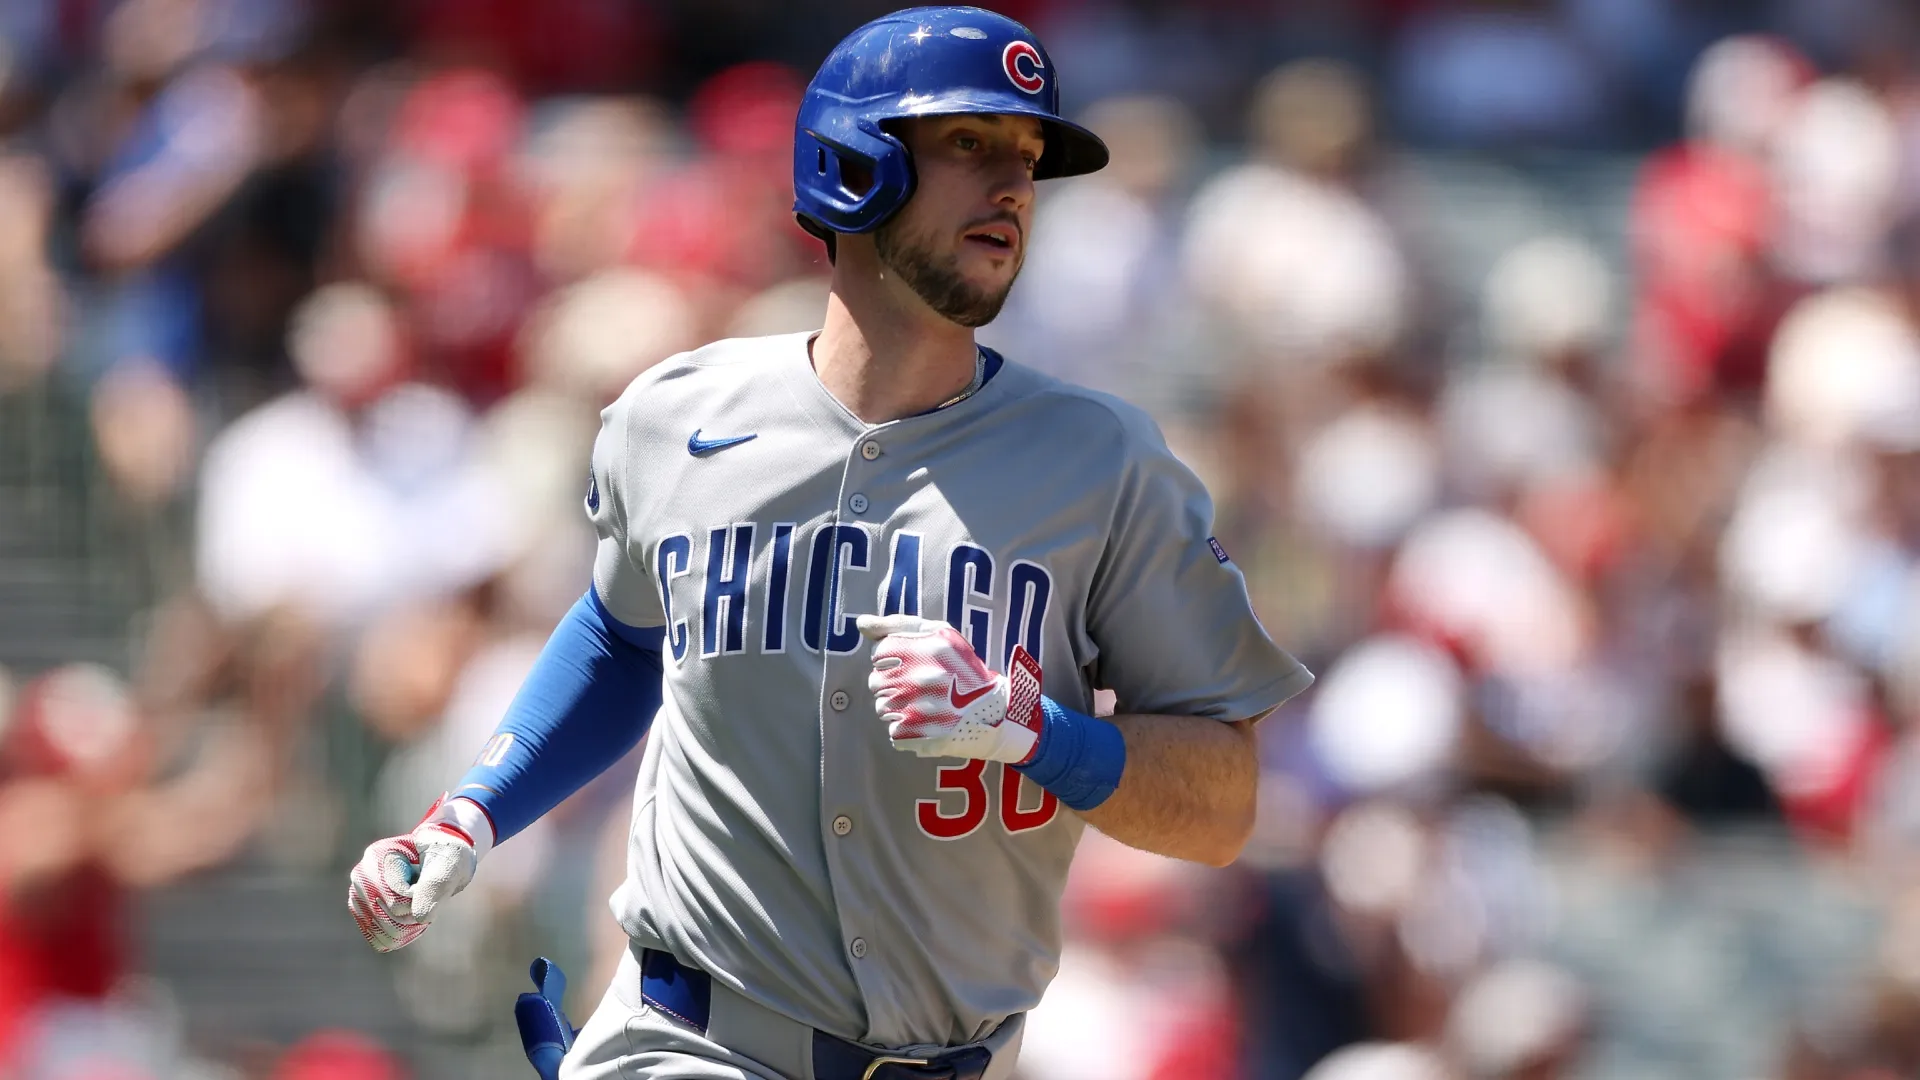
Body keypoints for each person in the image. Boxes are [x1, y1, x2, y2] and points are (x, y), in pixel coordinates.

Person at [345, 8, 1312, 1078]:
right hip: (687, 1043)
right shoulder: (675, 417)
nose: (1013, 186)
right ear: (853, 166)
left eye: (1030, 157)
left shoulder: (1106, 463)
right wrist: (473, 812)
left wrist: (1043, 733)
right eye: (970, 144)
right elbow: (625, 639)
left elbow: (1223, 804)